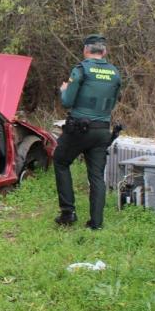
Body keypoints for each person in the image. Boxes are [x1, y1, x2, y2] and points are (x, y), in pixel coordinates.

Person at [54, 34, 122, 230]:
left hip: (78, 129)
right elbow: (114, 101)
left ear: (85, 50)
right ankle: (96, 223)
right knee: (96, 176)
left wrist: (64, 89)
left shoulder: (81, 70)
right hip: (102, 131)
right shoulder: (115, 73)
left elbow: (67, 101)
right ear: (104, 51)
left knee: (60, 161)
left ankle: (68, 213)